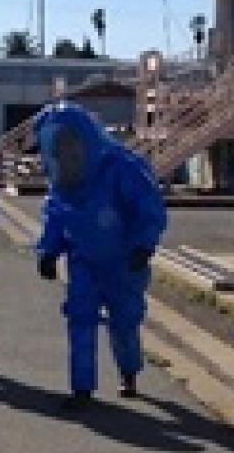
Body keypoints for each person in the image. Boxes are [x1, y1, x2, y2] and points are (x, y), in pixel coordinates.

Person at [33, 102, 166, 410]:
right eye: (58, 143)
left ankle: (129, 370)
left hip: (123, 261)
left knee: (123, 322)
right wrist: (49, 250)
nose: (65, 150)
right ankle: (82, 388)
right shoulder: (64, 179)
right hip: (84, 261)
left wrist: (144, 245)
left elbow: (148, 209)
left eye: (70, 141)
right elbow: (56, 215)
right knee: (80, 318)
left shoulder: (121, 168)